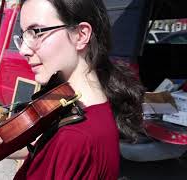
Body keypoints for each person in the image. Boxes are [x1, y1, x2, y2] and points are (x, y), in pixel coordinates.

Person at [10, 0, 145, 179]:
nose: (23, 50)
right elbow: (46, 147)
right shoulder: (75, 110)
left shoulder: (74, 139)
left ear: (81, 35)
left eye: (35, 32)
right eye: (24, 35)